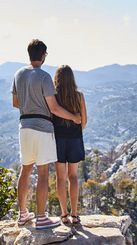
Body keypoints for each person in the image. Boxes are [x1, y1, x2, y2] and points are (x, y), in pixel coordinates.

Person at [11, 40, 82, 230]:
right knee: (42, 173)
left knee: (25, 171)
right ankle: (41, 217)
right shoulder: (44, 77)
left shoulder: (18, 74)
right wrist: (75, 118)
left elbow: (15, 103)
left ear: (29, 54)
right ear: (43, 56)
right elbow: (55, 108)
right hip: (41, 127)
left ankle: (23, 214)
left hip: (24, 126)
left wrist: (30, 105)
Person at [52, 65, 87, 226]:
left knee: (60, 177)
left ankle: (64, 214)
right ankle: (74, 214)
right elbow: (84, 121)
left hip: (58, 140)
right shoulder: (79, 96)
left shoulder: (54, 97)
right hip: (74, 140)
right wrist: (75, 130)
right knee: (73, 176)